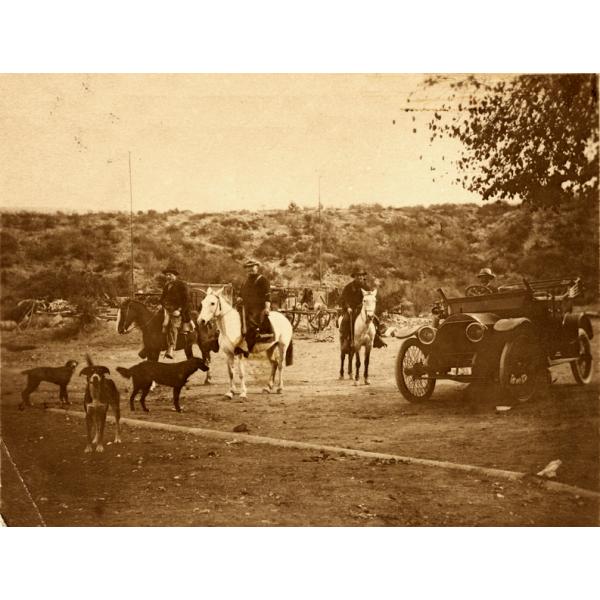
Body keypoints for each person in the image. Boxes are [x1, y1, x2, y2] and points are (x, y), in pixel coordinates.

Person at [340, 269, 386, 348]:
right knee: (346, 320)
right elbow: (344, 299)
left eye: (361, 276)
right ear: (354, 277)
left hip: (363, 308)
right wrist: (348, 307)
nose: (360, 277)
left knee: (375, 319)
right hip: (351, 308)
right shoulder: (348, 287)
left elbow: (370, 296)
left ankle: (377, 338)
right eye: (358, 276)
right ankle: (346, 340)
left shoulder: (366, 286)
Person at [236, 259, 271, 355]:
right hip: (245, 307)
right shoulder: (245, 281)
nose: (250, 269)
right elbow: (240, 294)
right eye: (248, 268)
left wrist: (267, 308)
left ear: (257, 267)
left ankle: (247, 347)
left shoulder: (263, 280)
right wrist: (239, 298)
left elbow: (267, 296)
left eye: (252, 267)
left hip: (258, 308)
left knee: (250, 321)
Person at [160, 266, 192, 359]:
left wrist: (179, 310)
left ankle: (171, 348)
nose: (168, 277)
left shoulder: (182, 285)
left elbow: (186, 300)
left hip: (178, 311)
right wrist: (162, 305)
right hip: (167, 309)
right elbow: (162, 298)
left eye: (170, 275)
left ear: (175, 276)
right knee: (155, 320)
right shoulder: (167, 285)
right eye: (167, 275)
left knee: (173, 326)